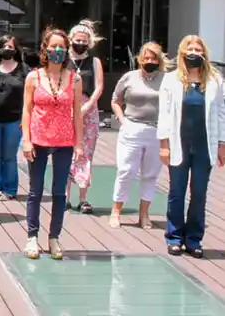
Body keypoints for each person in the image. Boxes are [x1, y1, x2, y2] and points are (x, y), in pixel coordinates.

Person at [158, 35, 225, 258]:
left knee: (199, 193)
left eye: (198, 49)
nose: (194, 53)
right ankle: (174, 237)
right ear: (182, 53)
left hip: (204, 145)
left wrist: (222, 144)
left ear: (204, 53)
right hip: (179, 143)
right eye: (190, 49)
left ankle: (194, 238)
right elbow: (165, 115)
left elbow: (222, 114)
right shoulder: (171, 79)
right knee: (176, 192)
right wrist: (164, 145)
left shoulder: (216, 81)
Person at [21, 28, 84, 260]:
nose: (57, 50)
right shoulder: (33, 77)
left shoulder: (75, 78)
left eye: (61, 46)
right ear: (45, 49)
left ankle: (54, 237)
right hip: (38, 140)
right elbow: (27, 111)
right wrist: (26, 140)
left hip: (64, 141)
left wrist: (79, 144)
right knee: (35, 191)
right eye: (53, 46)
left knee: (59, 193)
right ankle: (32, 236)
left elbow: (77, 113)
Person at [109, 42, 166, 229]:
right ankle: (116, 211)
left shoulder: (166, 80)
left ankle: (144, 215)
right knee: (125, 171)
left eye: (153, 58)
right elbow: (115, 100)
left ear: (159, 60)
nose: (149, 61)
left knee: (150, 174)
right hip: (132, 128)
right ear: (140, 59)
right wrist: (121, 118)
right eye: (146, 58)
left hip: (156, 131)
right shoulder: (129, 77)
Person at [66, 20, 104, 213]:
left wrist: (88, 105)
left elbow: (99, 86)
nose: (80, 43)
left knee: (85, 153)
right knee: (65, 152)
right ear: (71, 40)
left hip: (88, 109)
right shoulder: (64, 59)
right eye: (77, 40)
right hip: (65, 109)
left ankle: (83, 197)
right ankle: (64, 196)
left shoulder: (94, 62)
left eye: (84, 40)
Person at [0, 35, 25, 201]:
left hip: (14, 120)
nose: (8, 49)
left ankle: (10, 188)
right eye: (4, 46)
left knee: (9, 156)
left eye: (11, 46)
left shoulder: (23, 69)